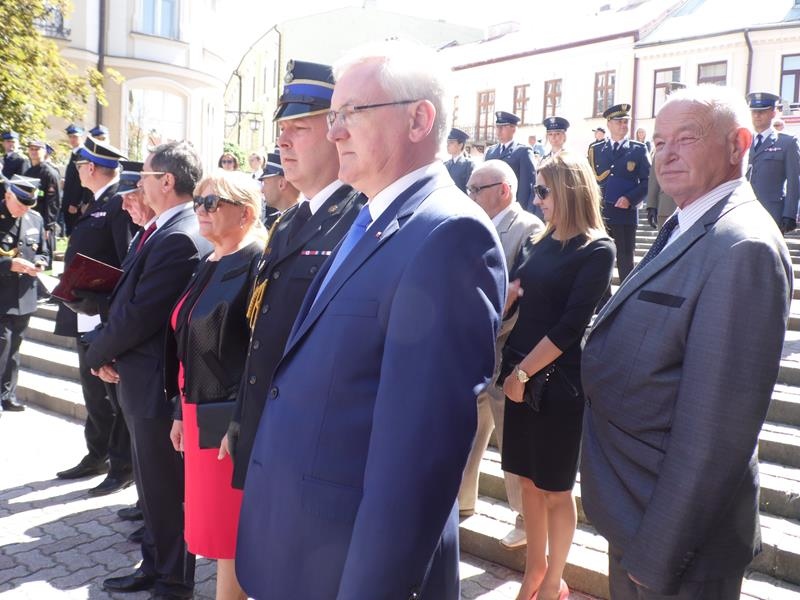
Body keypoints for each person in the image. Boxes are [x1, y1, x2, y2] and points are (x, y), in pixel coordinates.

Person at [235, 42, 506, 600]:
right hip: (302, 551)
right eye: (333, 115)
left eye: (350, 113)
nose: (335, 132)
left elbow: (417, 458)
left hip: (348, 571)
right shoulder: (374, 218)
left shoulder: (448, 234)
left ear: (419, 120)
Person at [581, 86, 793, 599]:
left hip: (675, 545)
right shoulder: (691, 223)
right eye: (658, 141)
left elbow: (717, 430)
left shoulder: (741, 245)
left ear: (738, 144)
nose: (666, 154)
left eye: (686, 138)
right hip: (635, 511)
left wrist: (658, 554)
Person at [225, 59, 363, 492]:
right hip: (263, 430)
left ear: (337, 132)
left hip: (311, 446)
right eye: (282, 128)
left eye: (299, 127)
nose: (282, 141)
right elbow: (261, 331)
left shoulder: (360, 220)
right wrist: (240, 417)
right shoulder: (286, 223)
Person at [86, 141, 211, 599]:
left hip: (156, 385)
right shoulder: (165, 227)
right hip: (142, 378)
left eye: (145, 176)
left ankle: (173, 582)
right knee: (154, 491)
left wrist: (98, 351)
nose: (139, 184)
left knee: (165, 492)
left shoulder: (179, 235)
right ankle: (155, 567)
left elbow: (142, 314)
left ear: (167, 180)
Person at [500, 152, 614, 600]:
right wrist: (507, 296)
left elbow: (570, 327)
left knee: (554, 487)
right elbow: (518, 293)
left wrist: (522, 373)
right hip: (520, 372)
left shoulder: (597, 249)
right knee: (527, 481)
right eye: (536, 190)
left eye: (543, 190)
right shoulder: (539, 240)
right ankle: (535, 570)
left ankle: (553, 581)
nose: (537, 199)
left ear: (568, 190)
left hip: (557, 381)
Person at [168, 169, 265, 600]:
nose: (201, 210)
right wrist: (179, 411)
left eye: (212, 202)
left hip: (227, 413)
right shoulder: (208, 261)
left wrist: (240, 419)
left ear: (245, 213)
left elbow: (260, 352)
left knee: (229, 531)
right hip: (196, 406)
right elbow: (188, 341)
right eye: (198, 202)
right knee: (214, 527)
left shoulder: (256, 263)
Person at [458, 160, 544, 550]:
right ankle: (463, 499)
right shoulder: (476, 224)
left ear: (504, 190)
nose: (470, 196)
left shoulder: (527, 228)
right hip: (475, 347)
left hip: (505, 350)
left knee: (511, 437)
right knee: (470, 429)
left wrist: (493, 327)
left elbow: (520, 295)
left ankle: (525, 518)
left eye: (477, 189)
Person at [54, 139, 137, 497]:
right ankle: (97, 454)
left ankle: (123, 467)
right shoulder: (99, 201)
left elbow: (127, 262)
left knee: (114, 397)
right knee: (94, 395)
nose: (77, 172)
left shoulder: (119, 203)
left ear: (89, 168)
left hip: (103, 314)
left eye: (79, 166)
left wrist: (104, 304)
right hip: (86, 313)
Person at [0, 176, 48, 414]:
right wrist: (8, 264)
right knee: (2, 346)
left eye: (28, 206)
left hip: (24, 297)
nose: (24, 211)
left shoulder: (35, 218)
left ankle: (8, 395)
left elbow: (44, 253)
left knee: (13, 350)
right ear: (8, 195)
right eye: (20, 205)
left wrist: (39, 263)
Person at [588, 103, 650, 286]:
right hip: (600, 213)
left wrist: (630, 199)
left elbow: (648, 181)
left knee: (625, 260)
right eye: (619, 122)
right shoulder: (596, 150)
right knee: (599, 259)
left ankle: (624, 297)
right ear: (609, 124)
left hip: (625, 214)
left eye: (626, 122)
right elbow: (589, 180)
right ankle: (603, 299)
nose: (623, 125)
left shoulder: (638, 149)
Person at [746, 91, 800, 233]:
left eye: (762, 111)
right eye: (754, 111)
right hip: (743, 212)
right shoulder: (743, 141)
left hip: (771, 213)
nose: (757, 115)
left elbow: (794, 181)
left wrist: (789, 214)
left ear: (773, 113)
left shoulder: (787, 142)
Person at [485, 111, 538, 214]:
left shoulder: (523, 151)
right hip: (491, 209)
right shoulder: (490, 152)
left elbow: (527, 188)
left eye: (502, 127)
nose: (498, 131)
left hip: (512, 210)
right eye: (497, 127)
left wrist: (523, 213)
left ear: (513, 129)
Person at [24, 140, 61, 267]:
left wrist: (48, 226)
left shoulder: (49, 173)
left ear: (44, 151)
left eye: (37, 149)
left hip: (43, 220)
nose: (34, 151)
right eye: (31, 149)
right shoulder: (29, 171)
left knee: (43, 259)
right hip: (30, 218)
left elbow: (53, 203)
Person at [61, 124, 93, 235]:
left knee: (75, 233)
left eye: (75, 136)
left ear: (81, 137)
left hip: (75, 203)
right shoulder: (75, 153)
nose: (72, 139)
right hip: (69, 199)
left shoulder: (83, 154)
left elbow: (80, 181)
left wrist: (75, 203)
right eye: (70, 137)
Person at [257, 151, 298, 229]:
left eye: (265, 183)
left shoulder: (299, 223)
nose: (262, 190)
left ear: (281, 184)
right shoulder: (273, 220)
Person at [645, 153, 676, 229]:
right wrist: (652, 205)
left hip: (696, 206)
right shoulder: (662, 150)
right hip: (667, 206)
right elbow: (654, 178)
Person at [444, 127, 475, 193]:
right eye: (447, 142)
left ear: (460, 145)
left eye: (451, 142)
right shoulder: (445, 164)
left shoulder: (468, 165)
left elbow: (470, 190)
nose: (448, 145)